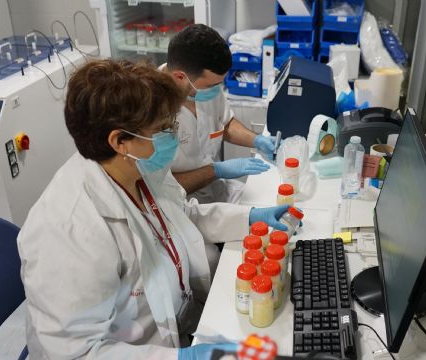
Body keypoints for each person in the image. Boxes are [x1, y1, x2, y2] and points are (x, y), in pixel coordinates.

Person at [17, 59, 289, 359]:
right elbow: (77, 353)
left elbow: (183, 215)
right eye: (162, 129)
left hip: (179, 322)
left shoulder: (138, 168)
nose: (173, 135)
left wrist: (250, 218)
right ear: (120, 141)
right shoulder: (69, 231)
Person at [162, 24, 278, 204]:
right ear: (179, 77)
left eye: (219, 84)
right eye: (211, 86)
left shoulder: (206, 88)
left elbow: (225, 123)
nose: (216, 91)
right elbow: (160, 187)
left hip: (215, 189)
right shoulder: (150, 110)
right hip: (180, 204)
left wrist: (257, 140)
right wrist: (216, 171)